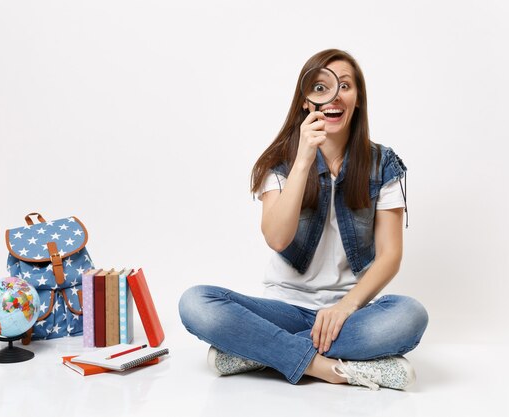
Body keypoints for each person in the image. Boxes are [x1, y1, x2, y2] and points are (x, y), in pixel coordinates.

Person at [178, 49, 428, 390]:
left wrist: (345, 306)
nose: (335, 95)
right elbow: (278, 238)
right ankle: (329, 368)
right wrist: (304, 159)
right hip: (284, 308)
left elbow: (390, 256)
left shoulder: (383, 164)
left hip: (349, 314)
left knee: (410, 315)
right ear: (305, 102)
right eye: (321, 87)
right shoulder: (279, 162)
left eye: (346, 86)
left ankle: (257, 351)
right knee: (196, 303)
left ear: (358, 100)